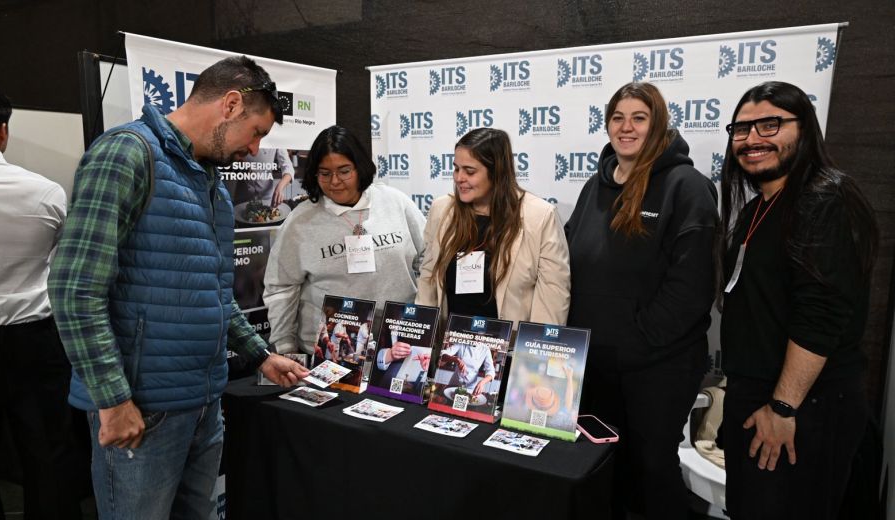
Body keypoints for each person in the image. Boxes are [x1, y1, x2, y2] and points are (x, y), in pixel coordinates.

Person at [48, 56, 309, 520]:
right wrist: (113, 400)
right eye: (257, 132)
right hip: (142, 411)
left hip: (202, 404)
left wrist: (261, 356)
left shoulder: (209, 183)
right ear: (230, 104)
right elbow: (74, 290)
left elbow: (213, 294)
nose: (255, 150)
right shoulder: (127, 153)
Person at [718, 81, 878, 520]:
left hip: (802, 408)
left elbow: (821, 315)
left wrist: (783, 407)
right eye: (742, 128)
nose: (753, 139)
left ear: (804, 130)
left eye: (770, 124)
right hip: (759, 400)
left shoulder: (824, 199)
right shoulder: (758, 209)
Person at [565, 82, 717, 520]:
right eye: (618, 117)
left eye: (639, 118)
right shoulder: (596, 185)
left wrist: (639, 340)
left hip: (658, 364)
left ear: (658, 125)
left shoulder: (686, 187)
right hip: (595, 362)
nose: (626, 127)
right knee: (602, 464)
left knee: (651, 468)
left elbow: (691, 286)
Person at [0, 77, 83, 520]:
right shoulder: (46, 192)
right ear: (4, 130)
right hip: (37, 340)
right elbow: (68, 265)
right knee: (48, 454)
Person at [263, 125, 426, 356]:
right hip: (332, 351)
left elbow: (428, 260)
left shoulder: (395, 203)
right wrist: (285, 346)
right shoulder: (300, 221)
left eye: (344, 170)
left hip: (397, 344)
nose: (335, 181)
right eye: (325, 173)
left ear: (359, 167)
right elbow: (281, 287)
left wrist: (423, 317)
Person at [416, 127, 570, 327]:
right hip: (451, 349)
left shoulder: (540, 216)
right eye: (456, 168)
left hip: (508, 351)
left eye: (469, 171)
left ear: (497, 171)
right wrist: (421, 340)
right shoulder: (442, 210)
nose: (459, 178)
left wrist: (532, 356)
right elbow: (428, 281)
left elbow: (552, 298)